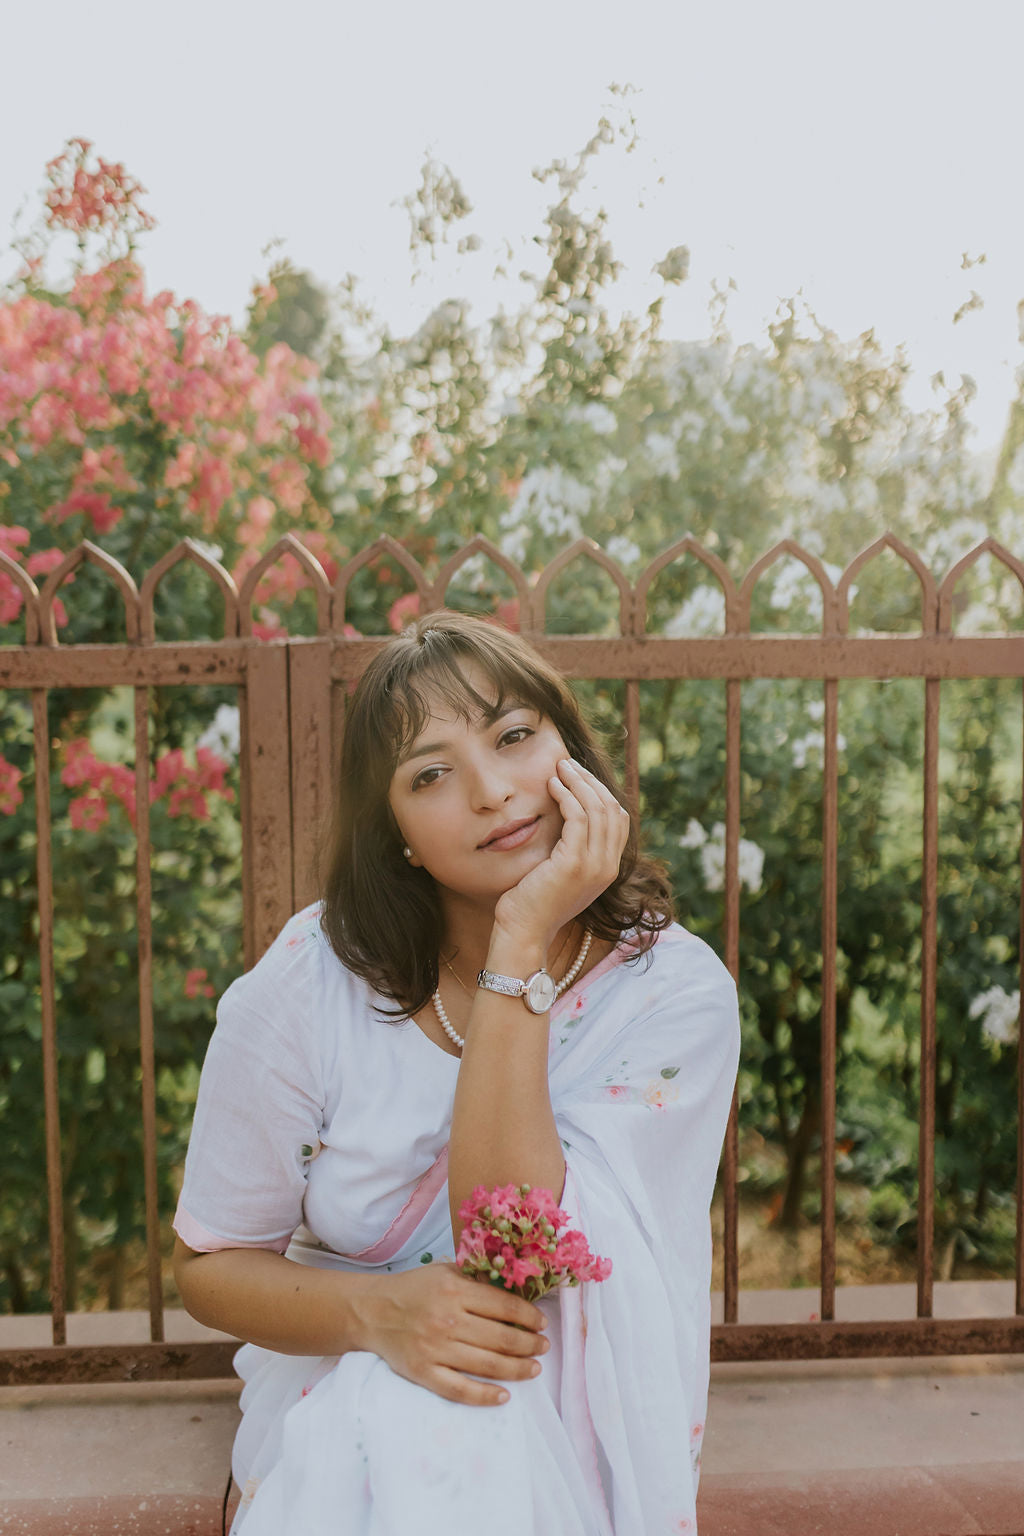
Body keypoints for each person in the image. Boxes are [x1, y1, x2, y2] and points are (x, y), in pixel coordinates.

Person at [172, 610, 740, 1535]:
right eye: (430, 774)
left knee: (470, 1424)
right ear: (393, 830)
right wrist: (380, 1315)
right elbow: (210, 1269)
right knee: (427, 1428)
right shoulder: (307, 985)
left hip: (562, 1399)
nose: (492, 792)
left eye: (515, 736)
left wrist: (517, 944)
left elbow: (520, 1240)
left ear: (572, 754)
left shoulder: (671, 995)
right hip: (346, 1389)